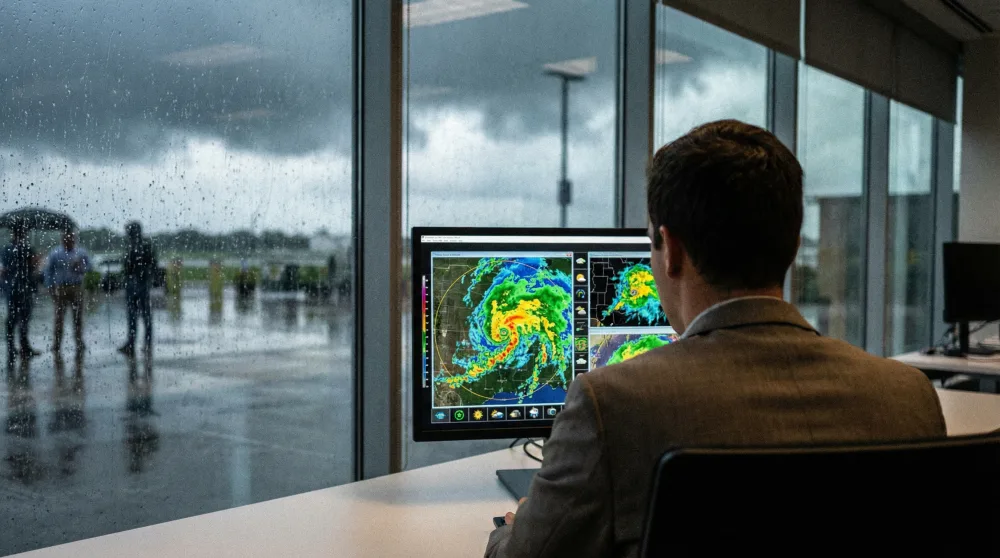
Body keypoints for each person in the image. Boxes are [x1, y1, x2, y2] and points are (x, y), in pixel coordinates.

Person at [485, 121, 946, 558]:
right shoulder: (909, 396)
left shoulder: (611, 405)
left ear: (673, 251)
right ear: (791, 241)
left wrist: (511, 530)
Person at [44, 230, 91, 353]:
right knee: (59, 317)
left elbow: (90, 266)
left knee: (78, 316)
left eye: (71, 238)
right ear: (62, 239)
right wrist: (50, 287)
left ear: (74, 239)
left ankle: (79, 341)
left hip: (76, 286)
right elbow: (48, 271)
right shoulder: (55, 253)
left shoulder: (80, 252)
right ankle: (57, 343)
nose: (69, 241)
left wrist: (81, 266)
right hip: (61, 287)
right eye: (66, 238)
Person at [1, 225, 41, 359]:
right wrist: (36, 259)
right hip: (24, 287)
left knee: (12, 318)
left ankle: (11, 347)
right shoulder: (27, 248)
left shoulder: (6, 249)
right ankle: (24, 346)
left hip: (10, 287)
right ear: (23, 233)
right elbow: (33, 265)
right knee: (24, 317)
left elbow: (4, 269)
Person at [118, 222, 157, 356]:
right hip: (141, 282)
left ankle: (134, 343)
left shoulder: (136, 246)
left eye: (129, 231)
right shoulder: (145, 245)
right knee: (143, 315)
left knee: (135, 315)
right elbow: (153, 263)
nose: (127, 234)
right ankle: (145, 343)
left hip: (136, 282)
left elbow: (129, 265)